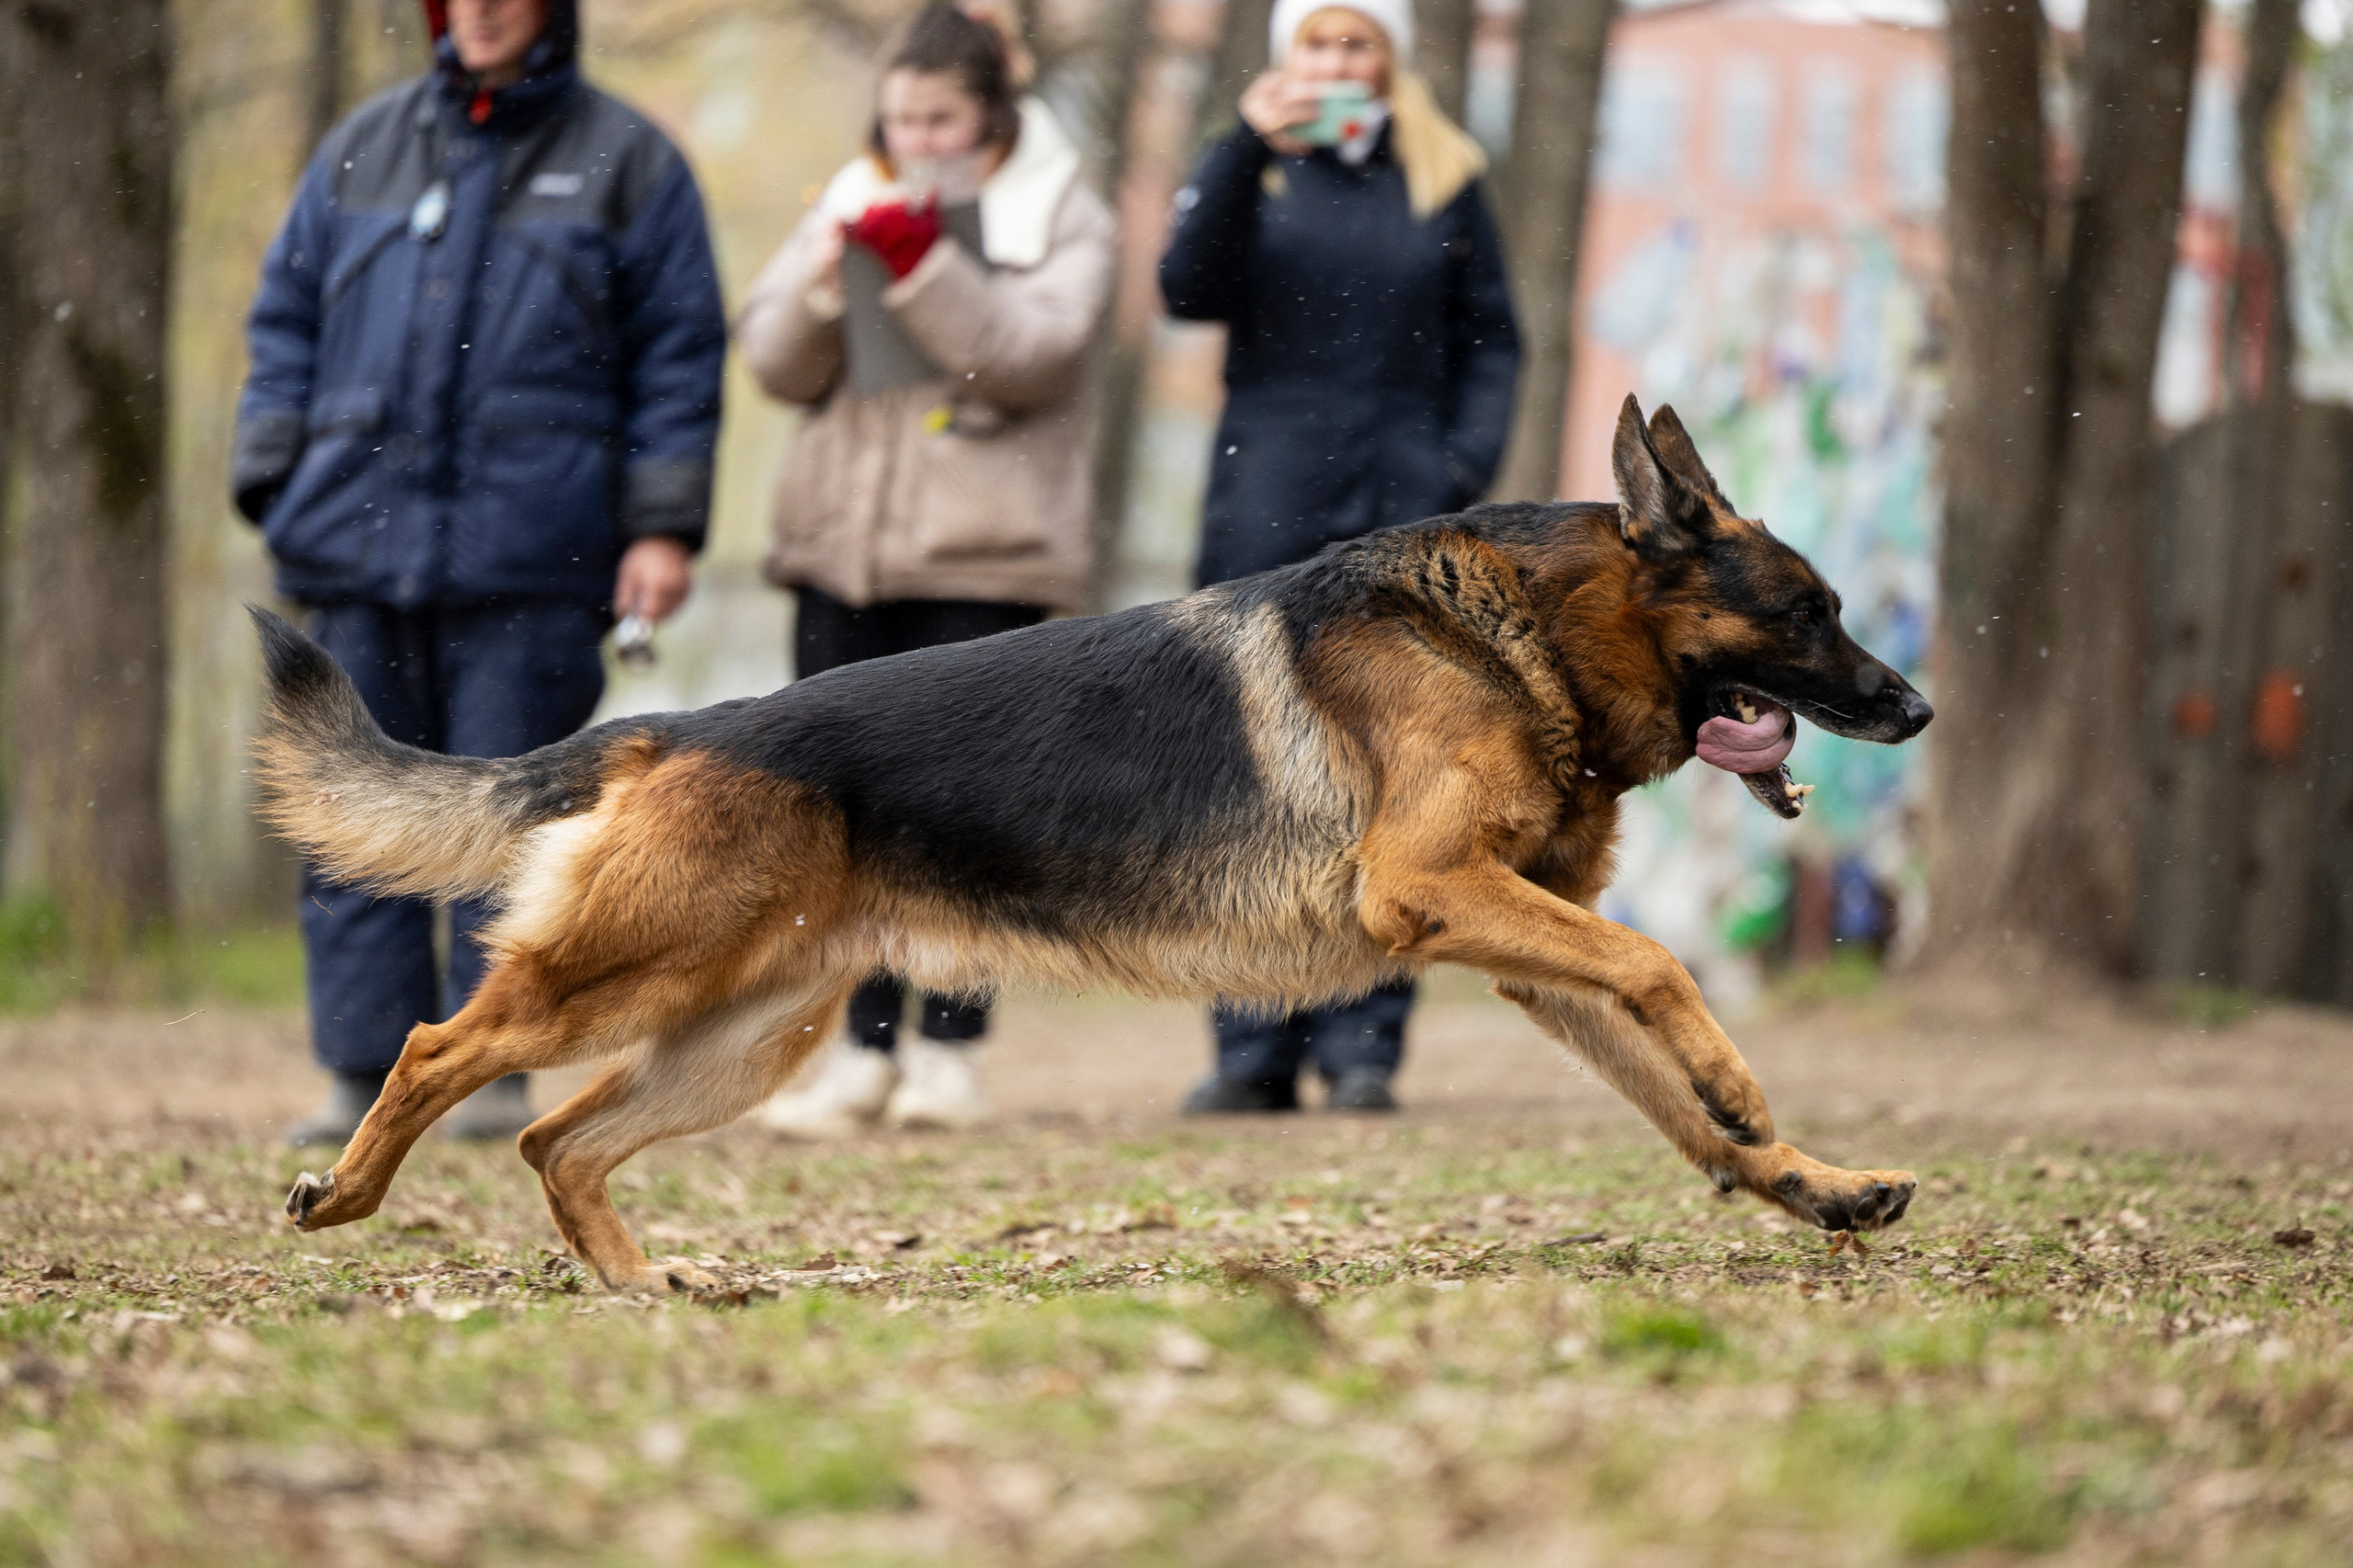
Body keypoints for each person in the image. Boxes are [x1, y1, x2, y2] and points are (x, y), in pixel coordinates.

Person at [232, 0, 726, 1146]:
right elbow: (286, 321)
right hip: (354, 539)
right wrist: (272, 473)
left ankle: (492, 1061)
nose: (485, 8)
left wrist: (662, 525)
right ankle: (359, 1070)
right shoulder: (363, 144)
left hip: (538, 554)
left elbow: (679, 357)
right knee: (349, 804)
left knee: (510, 819)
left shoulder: (631, 160)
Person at [736, 2, 1116, 1139]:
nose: (916, 138)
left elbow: (1034, 357)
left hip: (983, 555)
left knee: (971, 814)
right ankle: (852, 1048)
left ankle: (950, 1053)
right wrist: (821, 275)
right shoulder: (853, 190)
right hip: (841, 551)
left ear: (988, 114)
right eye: (900, 117)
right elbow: (771, 359)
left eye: (939, 118)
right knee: (837, 816)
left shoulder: (1060, 208)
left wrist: (923, 263)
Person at [1159, 0, 1520, 1115]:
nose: (1335, 63)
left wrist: (1450, 464)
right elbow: (1184, 288)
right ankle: (1249, 1046)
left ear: (1388, 60)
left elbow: (1492, 340)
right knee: (1251, 767)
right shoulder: (1249, 168)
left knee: (1405, 764)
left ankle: (1366, 1042)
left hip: (1403, 503)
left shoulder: (1444, 174)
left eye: (1356, 43)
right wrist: (1239, 146)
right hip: (1264, 494)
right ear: (1285, 60)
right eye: (1315, 43)